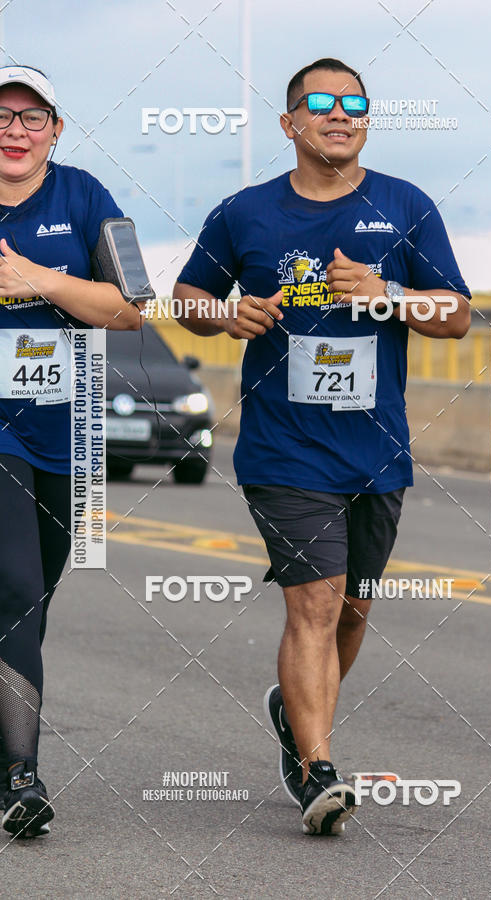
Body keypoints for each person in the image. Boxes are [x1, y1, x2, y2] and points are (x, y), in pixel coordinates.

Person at [174, 57, 470, 835]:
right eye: (322, 103)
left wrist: (392, 294)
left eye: (356, 103)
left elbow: (459, 314)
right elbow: (187, 297)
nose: (341, 114)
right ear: (290, 124)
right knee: (313, 603)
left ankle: (293, 709)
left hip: (375, 450)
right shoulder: (245, 213)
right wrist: (225, 316)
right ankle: (316, 771)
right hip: (282, 449)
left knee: (352, 609)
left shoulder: (405, 205)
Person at [0, 65, 143, 838]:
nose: (15, 130)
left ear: (57, 128)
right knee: (16, 586)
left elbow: (129, 310)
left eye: (32, 117)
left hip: (61, 427)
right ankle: (21, 778)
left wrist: (35, 278)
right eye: (2, 115)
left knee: (32, 596)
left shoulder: (87, 197)